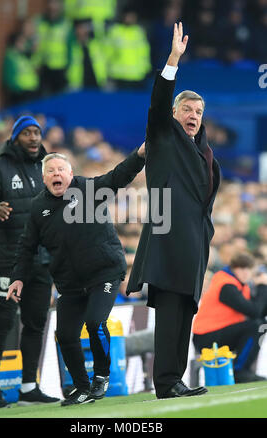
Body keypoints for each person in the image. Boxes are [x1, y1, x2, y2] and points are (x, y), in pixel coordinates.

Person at [7, 145, 145, 406]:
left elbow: (118, 176)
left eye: (60, 169)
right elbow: (27, 246)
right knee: (66, 335)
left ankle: (102, 375)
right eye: (50, 171)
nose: (56, 174)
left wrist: (139, 156)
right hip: (69, 283)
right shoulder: (38, 207)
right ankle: (82, 387)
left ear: (70, 173)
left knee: (94, 323)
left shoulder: (88, 189)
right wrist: (18, 277)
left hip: (104, 272)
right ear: (44, 178)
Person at [126, 22, 220, 399]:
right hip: (167, 242)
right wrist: (173, 61)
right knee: (169, 314)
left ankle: (174, 380)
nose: (192, 114)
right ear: (176, 113)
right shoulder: (163, 136)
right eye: (186, 109)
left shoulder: (206, 154)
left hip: (194, 245)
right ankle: (165, 382)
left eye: (198, 110)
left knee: (185, 315)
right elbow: (158, 101)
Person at [0, 116, 59, 408]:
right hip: (8, 261)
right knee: (4, 320)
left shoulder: (45, 167)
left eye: (37, 132)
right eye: (27, 133)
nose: (34, 138)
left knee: (35, 322)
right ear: (15, 138)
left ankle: (28, 386)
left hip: (41, 260)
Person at [193, 252, 267, 383]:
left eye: (248, 269)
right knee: (257, 326)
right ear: (233, 269)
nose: (245, 273)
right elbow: (254, 311)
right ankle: (239, 370)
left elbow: (260, 312)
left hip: (218, 333)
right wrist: (262, 286)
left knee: (260, 324)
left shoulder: (239, 284)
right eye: (241, 268)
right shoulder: (226, 284)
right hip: (206, 337)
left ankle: (242, 369)